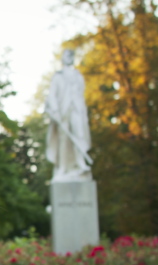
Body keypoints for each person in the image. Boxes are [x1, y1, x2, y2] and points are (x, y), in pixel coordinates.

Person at [45, 48, 93, 181]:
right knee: (63, 140)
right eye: (67, 55)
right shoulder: (58, 76)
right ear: (62, 58)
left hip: (77, 111)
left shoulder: (78, 76)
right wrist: (55, 111)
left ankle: (80, 164)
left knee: (79, 136)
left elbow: (81, 94)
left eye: (71, 55)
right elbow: (52, 96)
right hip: (62, 112)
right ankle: (63, 167)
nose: (69, 57)